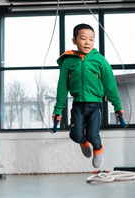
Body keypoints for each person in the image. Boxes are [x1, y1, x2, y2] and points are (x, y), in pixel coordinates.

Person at [52, 23, 124, 169]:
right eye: (83, 38)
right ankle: (83, 143)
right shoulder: (68, 61)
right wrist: (57, 109)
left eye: (91, 39)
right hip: (78, 104)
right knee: (75, 135)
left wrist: (117, 107)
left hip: (95, 104)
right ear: (74, 41)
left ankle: (98, 148)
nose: (87, 42)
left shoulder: (99, 60)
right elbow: (62, 87)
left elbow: (110, 86)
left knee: (93, 134)